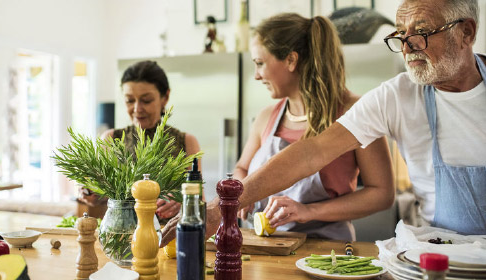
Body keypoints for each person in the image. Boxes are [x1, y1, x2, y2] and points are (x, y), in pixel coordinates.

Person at [160, 0, 485, 245]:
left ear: (466, 32)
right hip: (439, 255)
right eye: (401, 34)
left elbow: (380, 192)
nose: (406, 46)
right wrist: (225, 205)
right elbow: (311, 152)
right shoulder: (396, 96)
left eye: (422, 32)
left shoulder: (354, 102)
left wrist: (308, 212)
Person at [232, 13, 394, 241]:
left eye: (260, 63)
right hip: (264, 248)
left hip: (327, 252)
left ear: (291, 60)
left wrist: (309, 211)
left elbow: (382, 194)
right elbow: (241, 168)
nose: (257, 75)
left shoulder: (356, 113)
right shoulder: (267, 116)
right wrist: (241, 190)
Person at [80, 60, 201, 221]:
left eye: (146, 100)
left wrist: (183, 202)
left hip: (170, 240)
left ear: (165, 97)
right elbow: (101, 198)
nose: (137, 109)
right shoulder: (110, 139)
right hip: (121, 236)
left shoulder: (186, 142)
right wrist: (92, 193)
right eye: (130, 100)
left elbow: (200, 203)